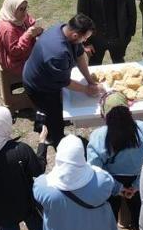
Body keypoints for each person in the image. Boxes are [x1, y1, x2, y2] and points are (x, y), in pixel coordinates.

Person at [22, 15, 105, 152]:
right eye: (85, 38)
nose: (85, 41)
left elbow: (80, 56)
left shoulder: (65, 29)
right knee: (54, 114)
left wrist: (90, 80)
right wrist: (87, 89)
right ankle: (57, 140)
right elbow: (65, 82)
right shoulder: (58, 53)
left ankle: (46, 123)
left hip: (47, 76)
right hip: (39, 85)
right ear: (75, 35)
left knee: (57, 107)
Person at [87, 91, 143, 230]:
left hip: (110, 182)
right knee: (138, 209)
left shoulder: (98, 137)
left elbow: (95, 170)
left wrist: (118, 188)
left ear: (105, 114)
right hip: (138, 179)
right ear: (128, 110)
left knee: (110, 212)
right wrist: (136, 186)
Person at [76, 0, 137, 65]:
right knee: (95, 66)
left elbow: (131, 11)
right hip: (96, 40)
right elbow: (81, 19)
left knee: (119, 64)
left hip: (119, 39)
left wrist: (129, 34)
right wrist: (86, 43)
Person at [0, 0, 44, 106]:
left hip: (24, 55)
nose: (25, 12)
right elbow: (15, 52)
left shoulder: (18, 17)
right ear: (12, 9)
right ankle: (35, 96)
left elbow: (28, 20)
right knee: (43, 67)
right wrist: (28, 35)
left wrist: (34, 28)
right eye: (21, 9)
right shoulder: (7, 29)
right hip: (14, 62)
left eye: (26, 8)